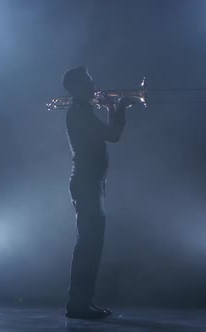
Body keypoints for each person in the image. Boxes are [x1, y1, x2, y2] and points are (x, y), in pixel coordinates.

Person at [62, 66, 139, 319]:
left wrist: (110, 108)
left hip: (91, 183)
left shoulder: (84, 110)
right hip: (86, 183)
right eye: (87, 82)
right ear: (75, 88)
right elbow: (113, 135)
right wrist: (119, 108)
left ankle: (82, 302)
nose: (94, 85)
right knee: (89, 245)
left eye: (92, 80)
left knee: (91, 244)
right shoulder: (79, 113)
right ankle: (78, 304)